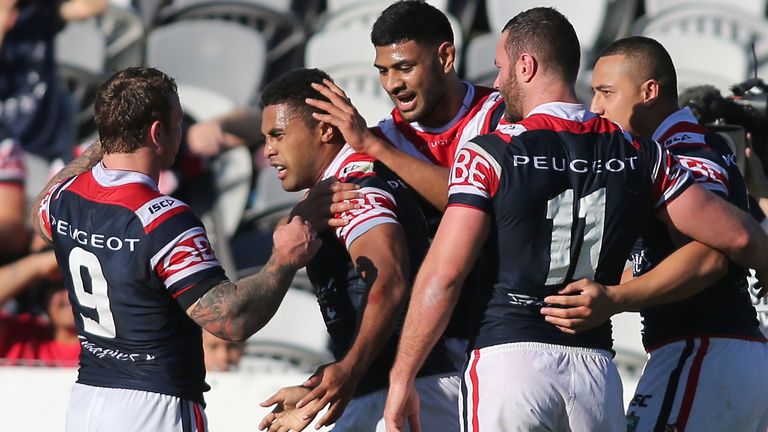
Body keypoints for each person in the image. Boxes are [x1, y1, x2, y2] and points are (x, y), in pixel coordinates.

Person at [382, 8, 768, 432]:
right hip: (594, 372)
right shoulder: (642, 153)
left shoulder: (487, 151)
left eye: (501, 68)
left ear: (525, 66)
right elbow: (737, 234)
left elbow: (444, 275)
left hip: (511, 358)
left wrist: (401, 377)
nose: (495, 83)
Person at [31, 66, 324, 432]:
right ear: (158, 133)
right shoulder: (164, 218)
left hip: (87, 402)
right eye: (178, 123)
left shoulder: (62, 199)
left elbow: (39, 213)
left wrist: (110, 136)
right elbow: (231, 321)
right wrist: (284, 261)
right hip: (156, 405)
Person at [540, 36, 768, 431]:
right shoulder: (671, 147)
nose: (595, 107)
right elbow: (663, 257)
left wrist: (614, 299)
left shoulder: (683, 149)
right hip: (711, 353)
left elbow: (711, 253)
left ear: (649, 92)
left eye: (605, 93)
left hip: (702, 350)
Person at [257, 68, 458, 432]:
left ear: (325, 130)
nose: (268, 150)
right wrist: (316, 388)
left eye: (278, 135)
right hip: (391, 391)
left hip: (409, 396)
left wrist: (349, 370)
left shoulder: (352, 191)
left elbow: (389, 279)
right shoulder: (337, 188)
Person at [307, 0, 504, 369]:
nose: (393, 84)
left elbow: (481, 203)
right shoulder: (382, 139)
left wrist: (374, 147)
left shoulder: (500, 115)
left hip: (504, 332)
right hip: (432, 353)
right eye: (383, 71)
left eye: (405, 67)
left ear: (445, 57)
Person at [0, 0, 108, 163]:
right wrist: (4, 11)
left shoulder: (39, 12)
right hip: (6, 139)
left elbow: (95, 5)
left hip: (47, 139)